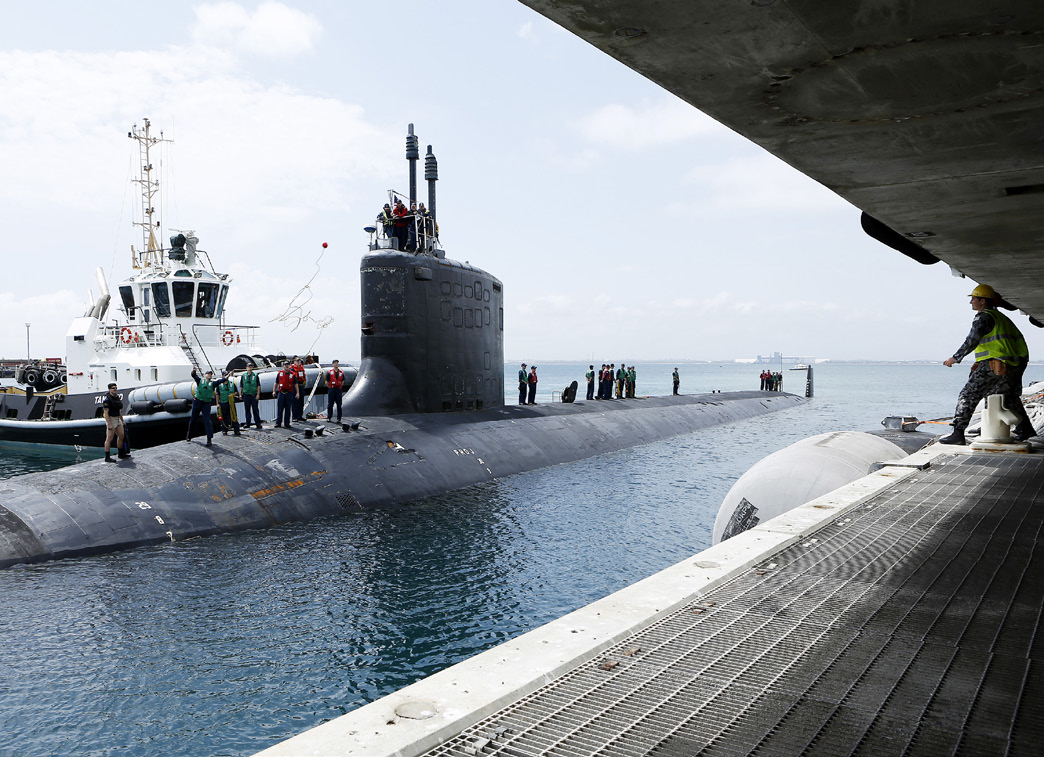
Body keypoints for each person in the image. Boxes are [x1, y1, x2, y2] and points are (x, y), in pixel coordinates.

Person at [941, 283, 1034, 444]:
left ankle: (957, 434)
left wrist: (955, 358)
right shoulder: (1002, 318)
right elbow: (1000, 344)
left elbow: (972, 340)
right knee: (1008, 397)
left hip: (996, 363)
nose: (971, 302)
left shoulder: (984, 317)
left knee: (968, 395)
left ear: (983, 301)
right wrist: (979, 361)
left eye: (974, 299)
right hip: (1014, 364)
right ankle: (1025, 430)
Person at [186, 369, 218, 446]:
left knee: (207, 420)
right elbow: (194, 375)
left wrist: (227, 376)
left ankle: (209, 439)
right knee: (193, 419)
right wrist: (193, 371)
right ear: (205, 375)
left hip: (206, 403)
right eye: (208, 374)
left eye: (211, 374)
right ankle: (189, 435)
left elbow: (221, 381)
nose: (210, 375)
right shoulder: (200, 381)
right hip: (198, 402)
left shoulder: (213, 383)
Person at [102, 382, 129, 462]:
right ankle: (107, 457)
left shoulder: (117, 398)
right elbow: (106, 413)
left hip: (118, 419)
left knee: (121, 435)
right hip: (111, 419)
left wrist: (122, 420)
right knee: (109, 438)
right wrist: (109, 424)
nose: (115, 389)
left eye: (116, 388)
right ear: (109, 389)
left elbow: (119, 410)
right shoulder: (107, 400)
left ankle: (121, 453)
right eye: (113, 388)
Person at [215, 372, 241, 436]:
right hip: (223, 402)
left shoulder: (232, 384)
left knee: (233, 416)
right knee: (224, 417)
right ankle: (224, 430)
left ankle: (236, 430)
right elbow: (217, 394)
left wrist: (232, 395)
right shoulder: (219, 385)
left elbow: (236, 392)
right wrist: (217, 403)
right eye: (224, 375)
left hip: (231, 403)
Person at [274, 362, 298, 428]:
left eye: (287, 365)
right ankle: (278, 423)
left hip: (289, 393)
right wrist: (274, 391)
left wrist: (297, 393)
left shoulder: (292, 374)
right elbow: (276, 383)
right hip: (281, 393)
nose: (286, 366)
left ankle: (286, 423)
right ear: (283, 366)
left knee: (288, 409)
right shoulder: (280, 373)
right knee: (280, 409)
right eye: (285, 365)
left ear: (289, 366)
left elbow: (295, 384)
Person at [239, 363, 262, 429]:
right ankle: (248, 423)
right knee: (247, 410)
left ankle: (258, 423)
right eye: (249, 366)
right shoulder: (243, 375)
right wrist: (240, 394)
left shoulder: (255, 375)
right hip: (246, 395)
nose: (250, 367)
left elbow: (258, 385)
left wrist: (258, 394)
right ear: (246, 367)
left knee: (255, 409)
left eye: (251, 366)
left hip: (253, 395)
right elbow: (241, 385)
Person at [291, 356, 307, 421]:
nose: (298, 362)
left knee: (301, 402)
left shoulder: (301, 369)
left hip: (301, 386)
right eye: (297, 361)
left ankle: (300, 416)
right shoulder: (292, 369)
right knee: (295, 402)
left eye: (299, 361)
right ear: (294, 362)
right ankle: (294, 417)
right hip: (295, 387)